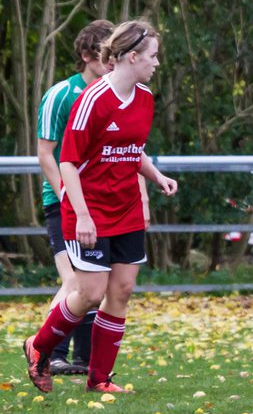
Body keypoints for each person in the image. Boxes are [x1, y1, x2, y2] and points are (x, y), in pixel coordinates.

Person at [23, 20, 178, 394]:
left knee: (121, 290)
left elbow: (130, 149)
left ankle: (100, 379)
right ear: (132, 56)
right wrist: (84, 216)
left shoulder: (145, 98)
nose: (157, 63)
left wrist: (156, 176)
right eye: (153, 56)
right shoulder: (91, 100)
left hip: (124, 209)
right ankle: (38, 347)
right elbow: (67, 162)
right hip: (88, 210)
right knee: (89, 294)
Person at [35, 20, 114, 375]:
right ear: (86, 56)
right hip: (63, 202)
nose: (112, 63)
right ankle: (46, 353)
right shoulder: (61, 95)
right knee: (74, 281)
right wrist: (69, 195)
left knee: (98, 280)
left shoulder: (114, 94)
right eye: (105, 55)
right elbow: (46, 153)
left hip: (100, 203)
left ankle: (83, 360)